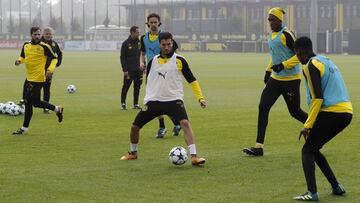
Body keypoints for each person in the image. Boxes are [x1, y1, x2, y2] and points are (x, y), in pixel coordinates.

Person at [120, 32, 206, 166]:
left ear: (172, 43)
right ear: (159, 45)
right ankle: (133, 153)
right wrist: (148, 99)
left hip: (174, 100)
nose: (166, 47)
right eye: (164, 44)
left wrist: (200, 98)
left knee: (185, 124)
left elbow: (192, 80)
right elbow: (150, 81)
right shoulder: (153, 61)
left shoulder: (180, 60)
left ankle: (194, 157)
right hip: (154, 101)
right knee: (134, 127)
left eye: (169, 44)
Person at [292, 36, 352, 201]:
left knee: (306, 150)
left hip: (332, 112)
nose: (297, 58)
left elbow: (317, 98)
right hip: (346, 111)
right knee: (313, 147)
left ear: (300, 51)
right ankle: (336, 187)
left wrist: (307, 125)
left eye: (296, 54)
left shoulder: (311, 66)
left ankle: (312, 193)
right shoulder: (326, 60)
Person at [243, 7, 307, 156]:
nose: (270, 22)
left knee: (295, 112)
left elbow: (300, 55)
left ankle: (316, 129)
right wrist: (268, 69)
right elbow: (276, 55)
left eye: (273, 20)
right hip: (276, 79)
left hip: (291, 80)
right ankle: (258, 147)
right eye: (269, 20)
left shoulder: (287, 34)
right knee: (263, 107)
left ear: (280, 20)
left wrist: (283, 65)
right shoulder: (272, 35)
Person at [13, 27, 64, 135]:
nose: (37, 36)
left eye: (39, 34)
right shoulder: (26, 45)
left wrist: (50, 69)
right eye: (35, 34)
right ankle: (57, 109)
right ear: (31, 34)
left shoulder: (44, 46)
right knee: (35, 103)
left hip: (38, 79)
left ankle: (24, 129)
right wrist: (19, 61)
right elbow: (23, 56)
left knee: (28, 102)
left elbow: (54, 58)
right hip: (28, 78)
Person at [140, 13, 181, 138]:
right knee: (154, 98)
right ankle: (168, 125)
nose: (153, 24)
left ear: (159, 23)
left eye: (155, 22)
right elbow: (142, 52)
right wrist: (141, 62)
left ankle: (166, 126)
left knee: (166, 98)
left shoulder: (166, 37)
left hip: (166, 72)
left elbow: (177, 53)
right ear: (147, 24)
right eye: (151, 22)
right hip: (151, 73)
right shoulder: (144, 38)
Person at [120, 26, 142, 110]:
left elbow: (142, 55)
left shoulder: (139, 42)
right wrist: (124, 69)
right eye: (137, 32)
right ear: (132, 32)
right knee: (126, 87)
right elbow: (122, 57)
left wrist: (142, 66)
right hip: (129, 70)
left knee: (137, 87)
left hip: (138, 70)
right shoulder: (125, 43)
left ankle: (135, 104)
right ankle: (123, 103)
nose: (139, 34)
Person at [41, 27, 63, 113]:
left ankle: (46, 108)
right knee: (35, 89)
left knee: (46, 89)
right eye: (47, 34)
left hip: (49, 71)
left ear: (52, 35)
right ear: (43, 34)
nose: (48, 35)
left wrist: (58, 64)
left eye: (50, 34)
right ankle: (28, 105)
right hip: (38, 70)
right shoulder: (39, 43)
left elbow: (60, 53)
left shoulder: (54, 44)